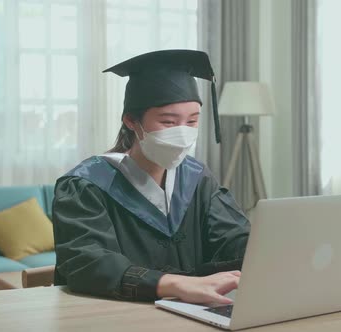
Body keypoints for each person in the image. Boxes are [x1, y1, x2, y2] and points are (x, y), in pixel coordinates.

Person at [52, 50, 250, 304]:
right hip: (115, 315)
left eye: (191, 122)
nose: (182, 133)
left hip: (192, 311)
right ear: (131, 121)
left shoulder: (197, 179)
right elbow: (88, 263)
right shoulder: (86, 185)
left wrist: (264, 253)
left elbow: (234, 239)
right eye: (168, 122)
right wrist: (176, 285)